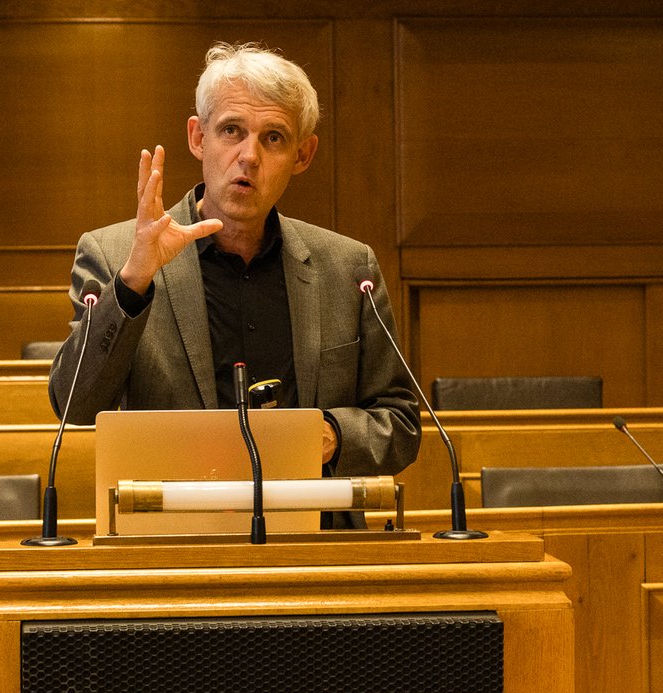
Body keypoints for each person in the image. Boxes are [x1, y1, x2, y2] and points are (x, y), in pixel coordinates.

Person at [49, 42, 421, 521]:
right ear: (198, 138)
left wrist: (329, 434)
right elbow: (74, 406)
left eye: (274, 138)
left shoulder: (348, 268)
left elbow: (401, 422)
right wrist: (134, 281)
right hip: (170, 540)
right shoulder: (116, 256)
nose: (249, 156)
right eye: (232, 131)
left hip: (318, 543)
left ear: (303, 155)